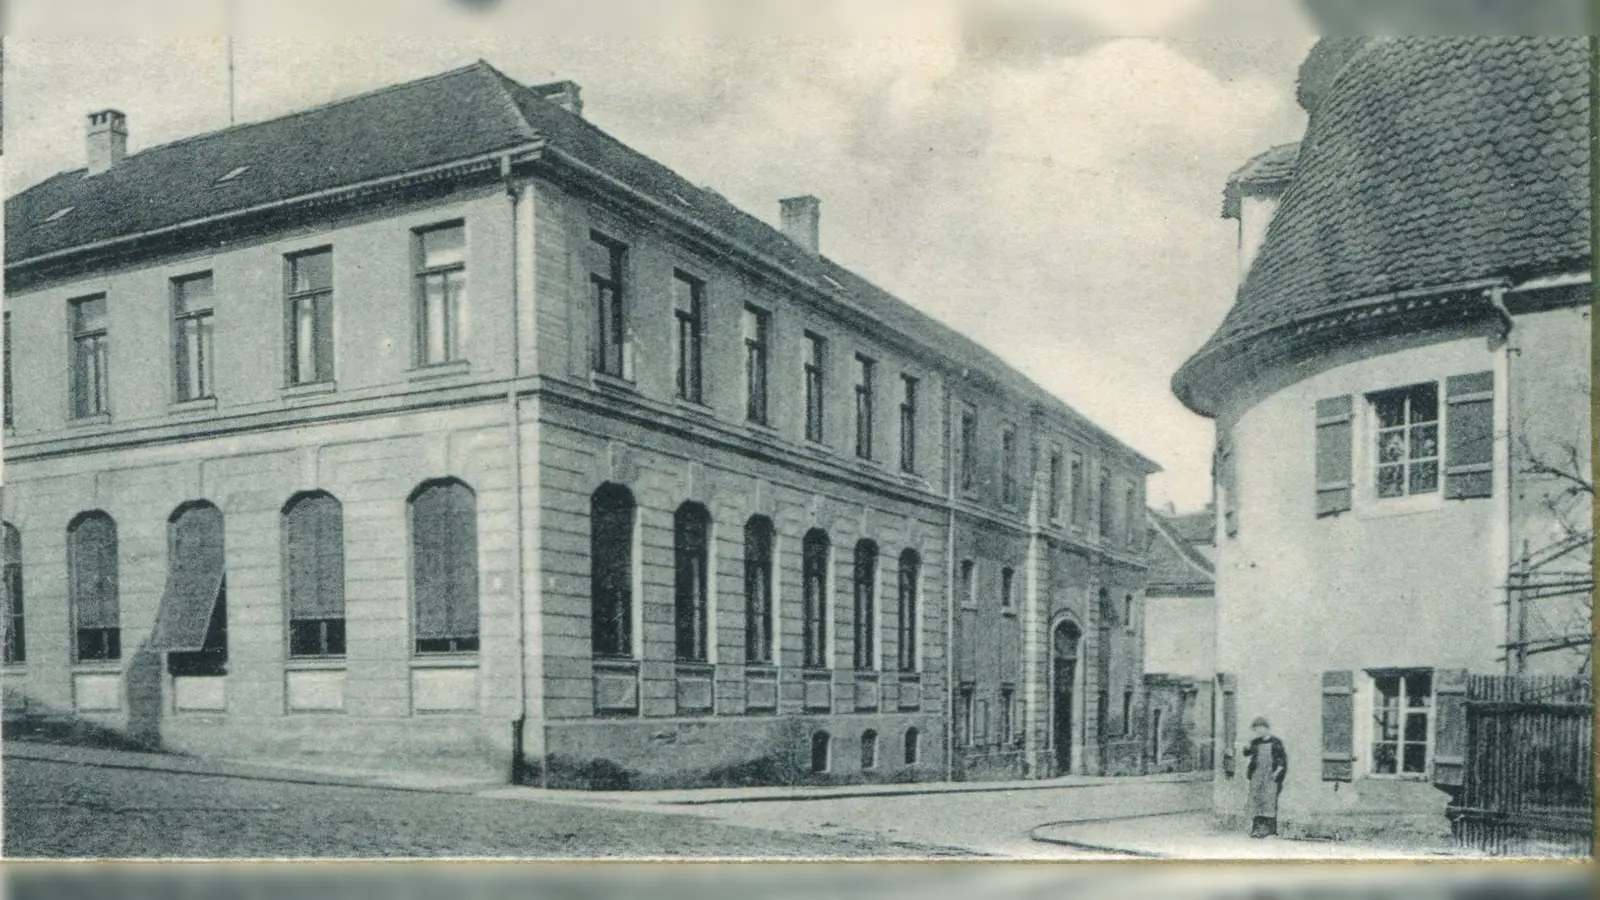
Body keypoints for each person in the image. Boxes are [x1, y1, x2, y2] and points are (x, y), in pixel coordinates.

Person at [1242, 716, 1287, 838]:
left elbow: (1282, 761)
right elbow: (1246, 753)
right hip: (1257, 775)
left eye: (1260, 728)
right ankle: (1256, 829)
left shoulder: (1276, 742)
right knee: (1256, 800)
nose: (1258, 731)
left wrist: (1276, 773)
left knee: (1268, 801)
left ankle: (1268, 829)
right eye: (1256, 729)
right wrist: (1247, 743)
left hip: (1270, 776)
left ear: (1266, 728)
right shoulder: (1255, 743)